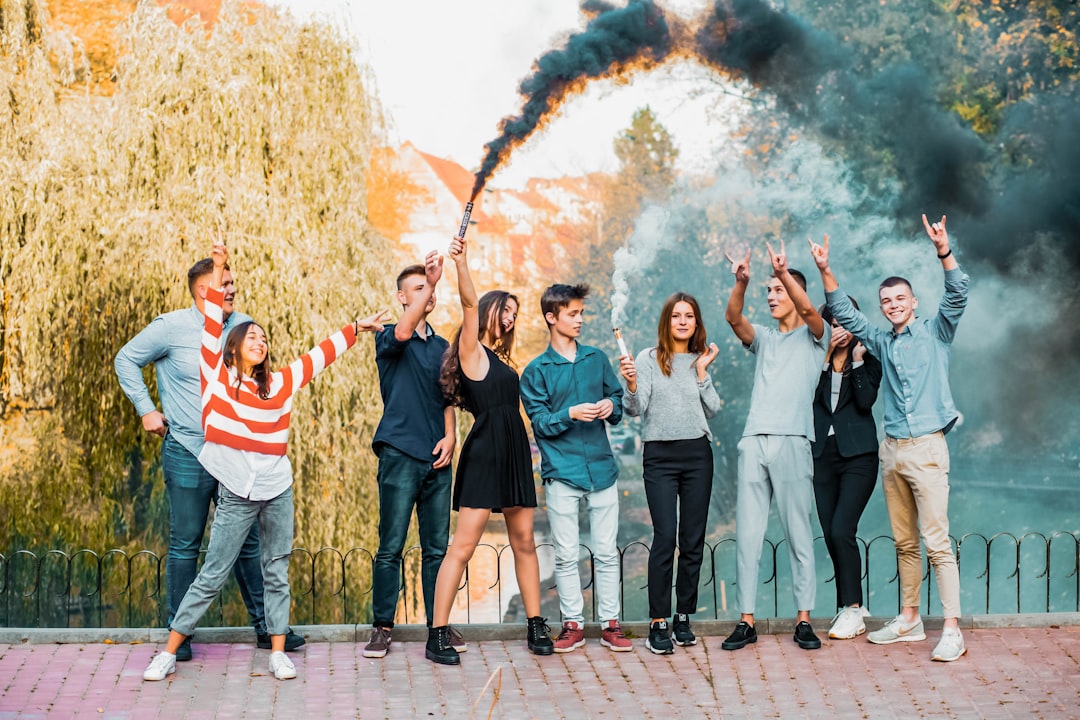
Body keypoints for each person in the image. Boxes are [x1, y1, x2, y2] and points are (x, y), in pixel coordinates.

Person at [142, 238, 387, 681]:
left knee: (276, 569)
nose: (260, 338)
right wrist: (218, 267)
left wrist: (356, 328)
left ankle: (276, 651)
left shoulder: (280, 383)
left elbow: (319, 356)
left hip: (277, 489)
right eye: (250, 335)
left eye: (263, 336)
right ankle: (170, 649)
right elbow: (212, 320)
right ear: (231, 348)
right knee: (213, 571)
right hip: (237, 490)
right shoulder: (215, 378)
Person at [115, 258, 304, 661]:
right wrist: (146, 409)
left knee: (248, 545)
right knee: (186, 544)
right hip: (188, 451)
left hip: (238, 458)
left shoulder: (243, 327)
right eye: (225, 281)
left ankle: (269, 629)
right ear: (205, 290)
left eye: (233, 281)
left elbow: (262, 382)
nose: (232, 288)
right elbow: (125, 359)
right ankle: (179, 638)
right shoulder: (170, 327)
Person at [810, 215, 969, 662]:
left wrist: (943, 248)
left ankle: (952, 629)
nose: (894, 304)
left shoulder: (937, 333)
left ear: (914, 302)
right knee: (904, 541)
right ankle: (910, 618)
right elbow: (844, 312)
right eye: (887, 300)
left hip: (928, 447)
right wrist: (825, 269)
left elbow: (958, 293)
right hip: (892, 451)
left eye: (901, 298)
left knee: (937, 541)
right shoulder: (880, 341)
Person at [425, 233, 553, 665]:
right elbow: (466, 305)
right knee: (461, 548)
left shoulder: (501, 362)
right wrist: (461, 264)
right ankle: (437, 633)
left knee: (525, 542)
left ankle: (536, 625)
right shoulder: (471, 350)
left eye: (516, 313)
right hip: (483, 452)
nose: (512, 318)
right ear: (488, 313)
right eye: (506, 311)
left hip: (514, 451)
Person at [721, 242, 830, 652]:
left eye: (778, 290)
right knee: (748, 534)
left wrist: (785, 274)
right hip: (754, 441)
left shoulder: (817, 337)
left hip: (793, 440)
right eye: (768, 291)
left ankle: (804, 619)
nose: (771, 296)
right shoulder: (764, 339)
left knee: (798, 532)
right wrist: (742, 281)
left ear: (795, 292)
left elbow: (809, 312)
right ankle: (746, 620)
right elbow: (733, 317)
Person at [363, 254, 464, 659]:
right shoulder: (389, 337)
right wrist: (434, 282)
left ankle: (436, 626)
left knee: (437, 549)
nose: (427, 294)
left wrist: (451, 436)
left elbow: (448, 400)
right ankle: (382, 626)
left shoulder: (443, 347)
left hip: (437, 457)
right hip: (400, 453)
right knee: (391, 545)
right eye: (418, 289)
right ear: (402, 297)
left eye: (429, 289)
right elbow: (406, 329)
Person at [520, 283, 630, 654]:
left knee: (606, 552)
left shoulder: (596, 359)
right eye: (573, 313)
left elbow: (618, 402)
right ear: (552, 318)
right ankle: (572, 626)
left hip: (602, 469)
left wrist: (608, 407)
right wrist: (570, 413)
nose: (580, 320)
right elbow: (539, 423)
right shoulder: (535, 371)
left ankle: (611, 625)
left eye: (581, 312)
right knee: (566, 555)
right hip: (561, 473)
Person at [618, 292, 721, 655]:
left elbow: (714, 408)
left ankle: (682, 617)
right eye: (676, 315)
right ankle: (657, 621)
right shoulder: (647, 358)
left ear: (696, 322)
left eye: (688, 316)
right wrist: (630, 384)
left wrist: (703, 373)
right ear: (667, 320)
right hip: (660, 456)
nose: (682, 321)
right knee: (666, 537)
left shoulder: (699, 359)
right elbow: (635, 408)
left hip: (697, 455)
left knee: (692, 540)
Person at [811, 299, 882, 640]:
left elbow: (866, 401)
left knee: (842, 530)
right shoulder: (813, 361)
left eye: (845, 322)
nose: (839, 328)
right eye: (832, 323)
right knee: (830, 533)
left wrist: (854, 362)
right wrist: (827, 359)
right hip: (821, 456)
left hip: (859, 457)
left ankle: (853, 608)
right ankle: (848, 607)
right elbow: (805, 396)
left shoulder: (869, 358)